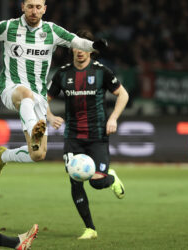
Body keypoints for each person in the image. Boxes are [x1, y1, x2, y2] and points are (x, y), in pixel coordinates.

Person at [0, 0, 108, 180]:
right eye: (30, 6)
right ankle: (34, 130)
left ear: (44, 9)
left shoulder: (52, 31)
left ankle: (4, 156)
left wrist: (94, 46)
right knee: (26, 94)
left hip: (38, 95)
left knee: (38, 155)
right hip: (12, 88)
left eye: (38, 7)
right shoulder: (9, 27)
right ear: (23, 7)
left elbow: (78, 41)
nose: (34, 11)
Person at [47, 30, 128, 240]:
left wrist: (113, 119)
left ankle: (111, 178)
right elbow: (42, 99)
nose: (80, 51)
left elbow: (123, 94)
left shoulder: (101, 71)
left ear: (90, 50)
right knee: (75, 181)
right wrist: (49, 116)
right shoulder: (62, 73)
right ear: (72, 48)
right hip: (72, 137)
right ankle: (90, 228)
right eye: (77, 47)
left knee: (96, 183)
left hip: (97, 135)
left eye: (85, 48)